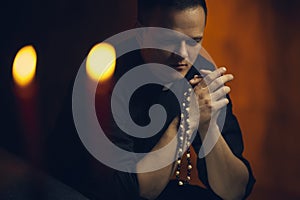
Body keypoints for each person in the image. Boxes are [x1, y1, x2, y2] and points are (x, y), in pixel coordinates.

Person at [46, 0, 255, 199]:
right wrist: (187, 118)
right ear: (140, 34)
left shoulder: (200, 79)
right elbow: (125, 192)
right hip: (75, 191)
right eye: (169, 40)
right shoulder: (104, 76)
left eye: (195, 41)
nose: (183, 55)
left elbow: (235, 191)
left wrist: (207, 124)